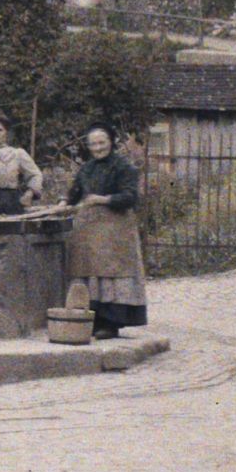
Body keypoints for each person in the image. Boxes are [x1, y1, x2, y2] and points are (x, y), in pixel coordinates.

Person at [64, 124, 149, 338]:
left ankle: (111, 324)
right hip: (90, 233)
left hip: (116, 232)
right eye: (93, 143)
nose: (98, 147)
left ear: (111, 142)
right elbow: (74, 194)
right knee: (92, 275)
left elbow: (131, 197)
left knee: (112, 275)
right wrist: (63, 202)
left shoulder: (124, 167)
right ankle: (93, 321)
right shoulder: (87, 168)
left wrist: (102, 199)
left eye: (102, 142)